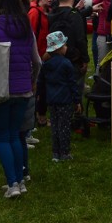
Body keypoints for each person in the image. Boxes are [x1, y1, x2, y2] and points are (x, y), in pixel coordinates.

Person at [0, 0, 42, 198]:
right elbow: (37, 61)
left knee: (2, 137)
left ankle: (12, 183)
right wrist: (32, 81)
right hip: (22, 89)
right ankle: (20, 180)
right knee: (15, 135)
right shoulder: (26, 26)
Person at [38, 31, 81, 162]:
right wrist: (77, 101)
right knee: (64, 127)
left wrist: (40, 97)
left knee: (55, 127)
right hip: (64, 100)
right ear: (60, 48)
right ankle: (65, 152)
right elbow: (72, 84)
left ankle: (55, 153)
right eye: (65, 44)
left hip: (51, 100)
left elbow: (41, 83)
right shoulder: (67, 64)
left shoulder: (46, 65)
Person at [91, 0, 112, 71]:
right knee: (102, 61)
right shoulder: (102, 2)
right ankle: (98, 78)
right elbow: (94, 1)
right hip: (103, 35)